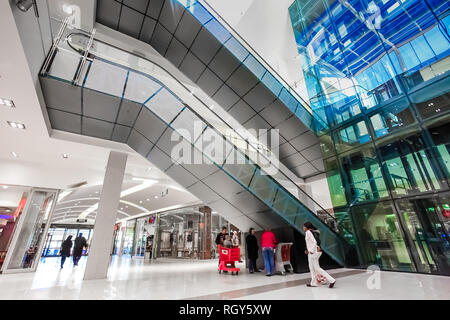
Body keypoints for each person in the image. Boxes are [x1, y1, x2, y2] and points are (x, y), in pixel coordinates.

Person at [303, 222, 336, 288]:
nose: (303, 228)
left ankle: (331, 280)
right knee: (311, 268)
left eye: (303, 226)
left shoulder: (308, 232)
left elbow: (314, 242)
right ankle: (313, 283)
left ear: (307, 227)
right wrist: (308, 250)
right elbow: (310, 242)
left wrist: (311, 250)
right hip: (313, 252)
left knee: (316, 268)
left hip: (313, 252)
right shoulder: (312, 232)